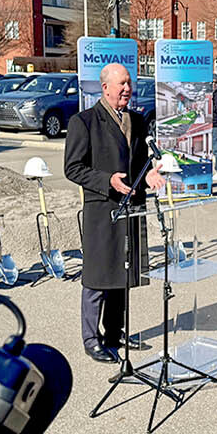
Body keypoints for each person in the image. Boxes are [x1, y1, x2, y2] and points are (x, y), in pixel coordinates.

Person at [63, 62, 164, 363]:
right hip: (102, 210)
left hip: (130, 209)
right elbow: (72, 168)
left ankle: (113, 333)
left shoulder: (137, 120)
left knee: (122, 272)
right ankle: (91, 339)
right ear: (104, 87)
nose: (126, 89)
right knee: (97, 277)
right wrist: (107, 180)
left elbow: (138, 167)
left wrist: (147, 177)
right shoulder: (84, 122)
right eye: (120, 84)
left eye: (129, 83)